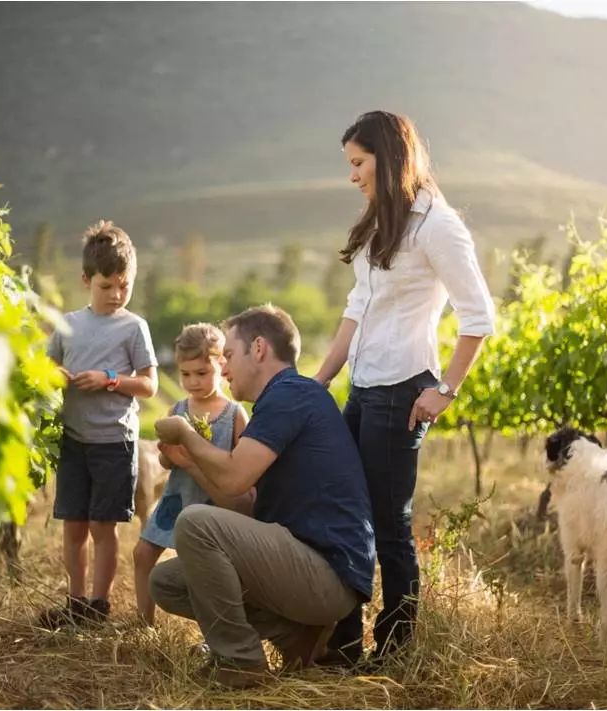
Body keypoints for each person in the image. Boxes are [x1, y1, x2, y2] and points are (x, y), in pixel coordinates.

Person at [313, 110, 496, 666]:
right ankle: (342, 645)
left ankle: (394, 652)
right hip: (364, 387)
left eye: (359, 163)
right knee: (345, 511)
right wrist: (320, 379)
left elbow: (479, 316)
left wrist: (446, 389)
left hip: (403, 389)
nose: (353, 176)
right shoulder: (380, 222)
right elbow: (357, 308)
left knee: (389, 525)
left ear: (388, 158)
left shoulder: (437, 225)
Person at [149, 305, 375, 688]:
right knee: (167, 582)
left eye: (229, 356)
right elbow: (241, 502)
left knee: (194, 523)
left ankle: (241, 662)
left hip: (327, 575)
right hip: (302, 567)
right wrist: (189, 461)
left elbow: (234, 478)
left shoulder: (289, 394)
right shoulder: (283, 400)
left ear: (259, 348)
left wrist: (187, 433)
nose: (223, 369)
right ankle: (294, 635)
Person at [37, 220, 159, 629]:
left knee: (104, 528)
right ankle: (75, 603)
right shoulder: (68, 325)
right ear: (86, 279)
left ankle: (98, 605)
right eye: (107, 286)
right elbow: (46, 367)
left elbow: (149, 384)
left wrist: (109, 379)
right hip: (74, 440)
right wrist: (56, 377)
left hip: (114, 443)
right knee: (74, 526)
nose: (116, 294)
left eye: (124, 286)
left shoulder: (134, 327)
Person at [133, 323, 251, 625]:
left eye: (201, 373)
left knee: (202, 569)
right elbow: (167, 462)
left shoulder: (234, 413)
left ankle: (211, 632)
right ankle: (143, 623)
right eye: (185, 374)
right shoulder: (179, 408)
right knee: (143, 553)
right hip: (177, 497)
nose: (193, 382)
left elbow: (243, 463)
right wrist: (167, 452)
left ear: (221, 365)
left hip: (212, 503)